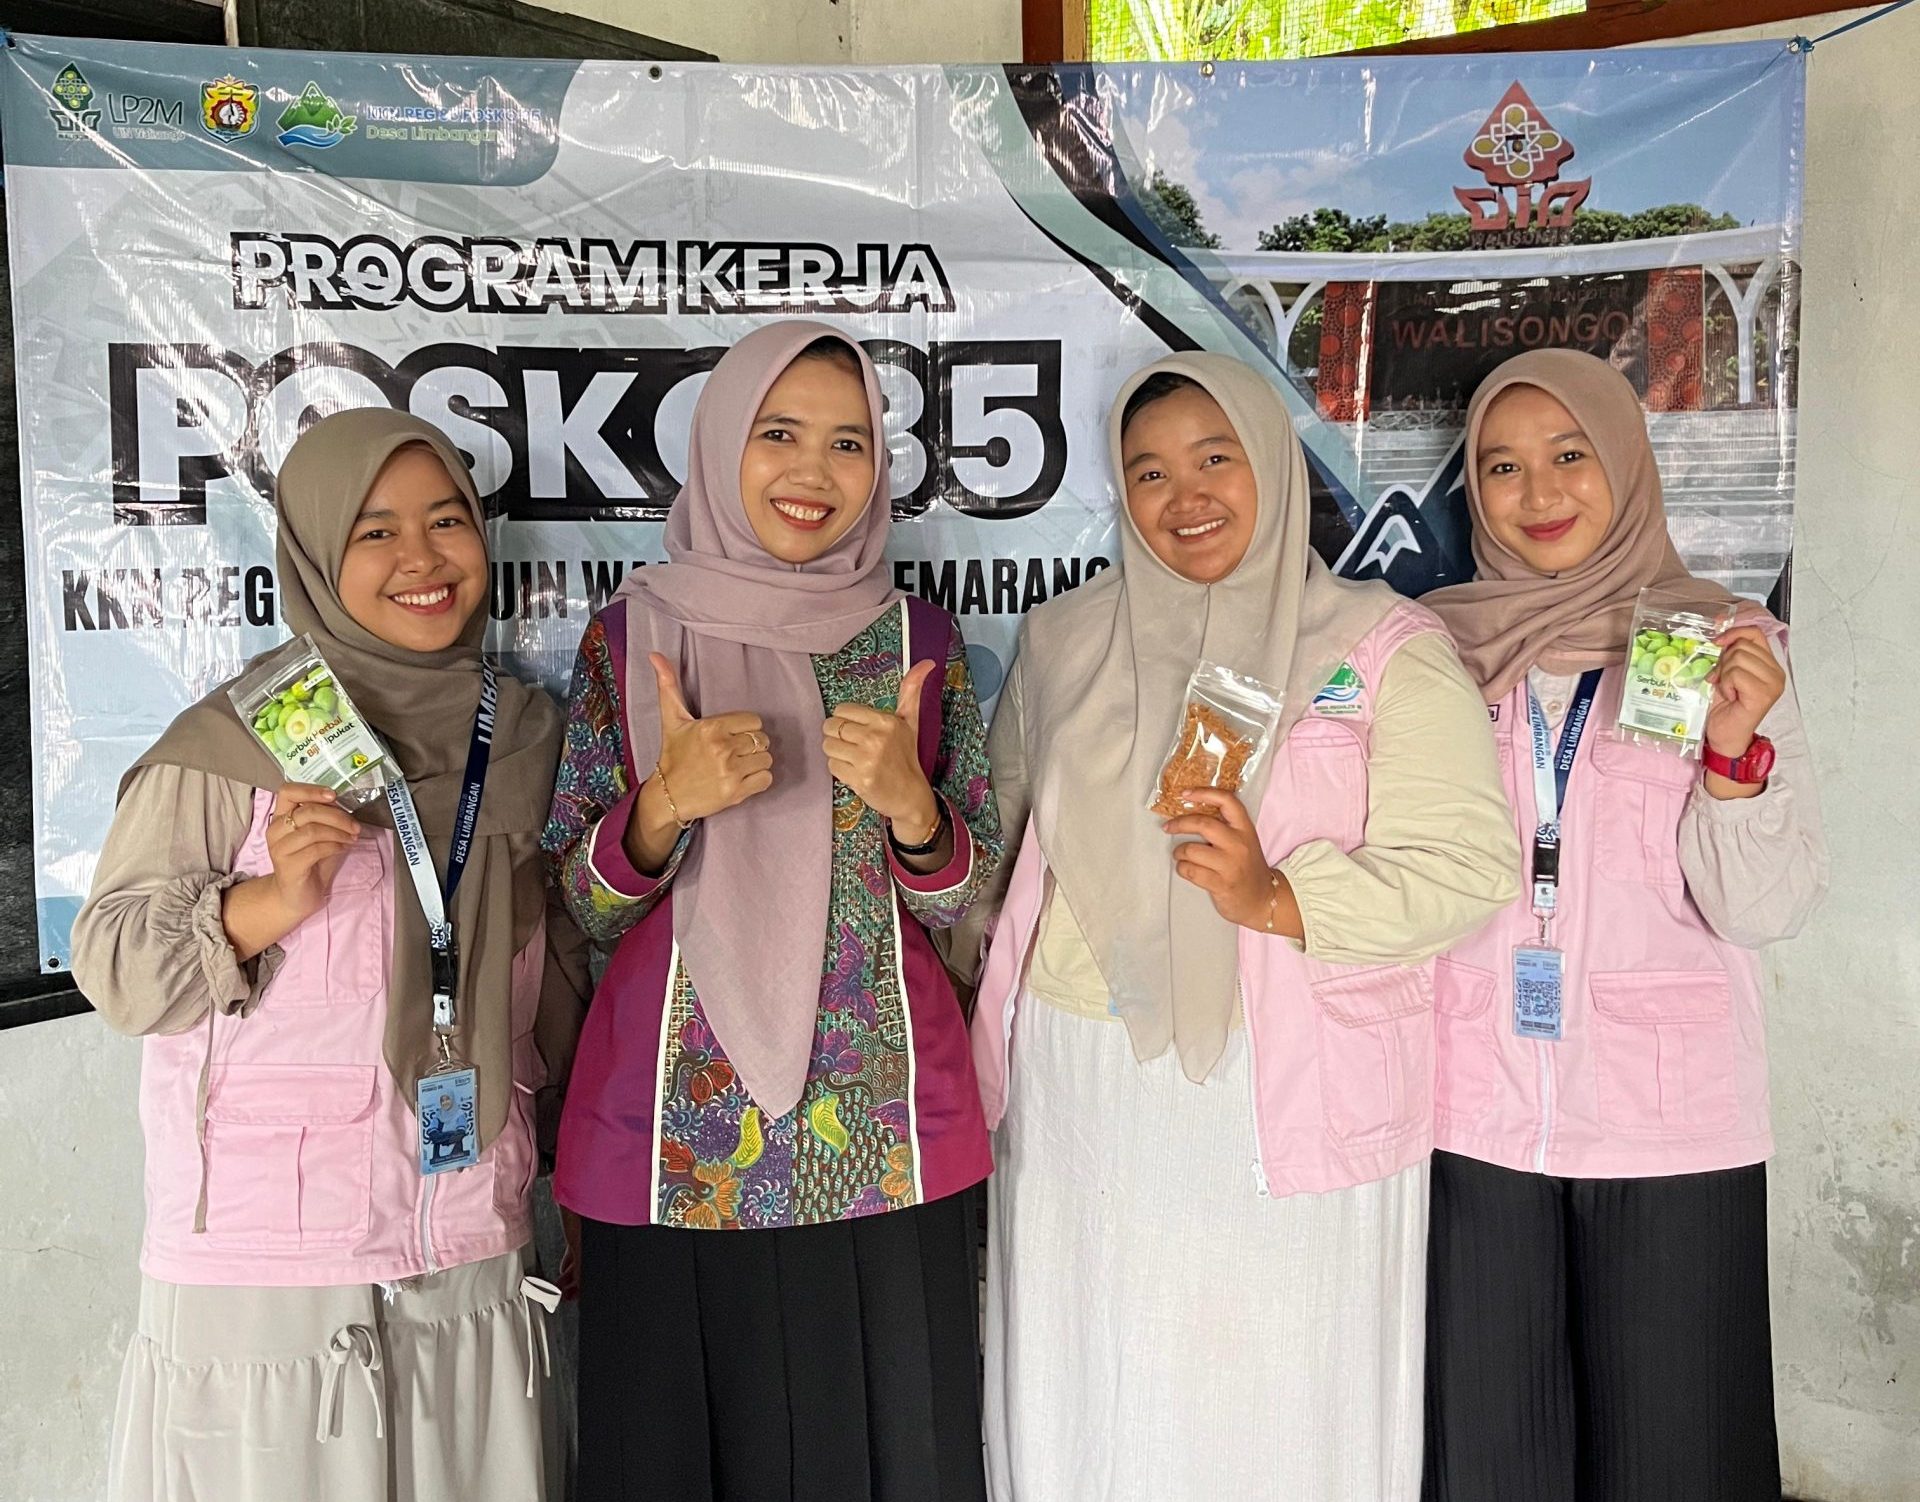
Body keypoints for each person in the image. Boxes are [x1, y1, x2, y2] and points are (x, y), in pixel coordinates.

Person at [958, 352, 1521, 1501]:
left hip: (1286, 1083)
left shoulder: (1382, 645)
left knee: (1277, 1386)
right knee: (1098, 1373)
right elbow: (999, 838)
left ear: (1272, 461)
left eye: (1216, 458)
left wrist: (1280, 897)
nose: (1187, 496)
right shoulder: (1064, 639)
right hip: (1085, 1084)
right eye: (1150, 471)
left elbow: (1470, 866)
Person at [71, 410, 589, 1502]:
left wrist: (574, 1174)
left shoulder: (525, 739)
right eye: (374, 531)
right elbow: (113, 963)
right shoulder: (234, 742)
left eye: (446, 521)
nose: (421, 559)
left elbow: (549, 986)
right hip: (272, 1279)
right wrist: (262, 904)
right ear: (312, 550)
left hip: (466, 1250)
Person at [544, 320, 1001, 1502]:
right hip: (677, 1134)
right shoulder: (633, 636)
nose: (814, 471)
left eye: (849, 442)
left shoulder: (918, 640)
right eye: (779, 433)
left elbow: (971, 893)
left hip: (877, 1128)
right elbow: (579, 904)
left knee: (894, 1449)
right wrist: (662, 808)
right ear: (719, 446)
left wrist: (914, 808)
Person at [1419, 349, 1828, 1502]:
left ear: (1627, 464)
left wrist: (1734, 757)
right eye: (1503, 465)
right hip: (1472, 1111)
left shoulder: (1717, 643)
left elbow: (1765, 905)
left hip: (1669, 1125)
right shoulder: (1437, 652)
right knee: (1491, 1461)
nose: (1539, 492)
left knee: (1676, 1458)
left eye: (1570, 454)